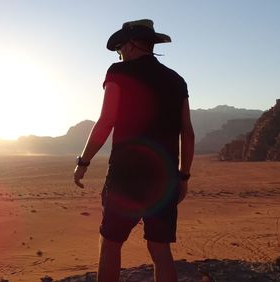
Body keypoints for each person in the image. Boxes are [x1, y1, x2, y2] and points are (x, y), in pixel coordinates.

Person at [74, 19, 194, 282]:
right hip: (163, 179)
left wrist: (83, 161)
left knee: (111, 242)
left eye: (119, 48)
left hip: (125, 176)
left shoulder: (119, 72)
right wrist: (183, 177)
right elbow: (187, 132)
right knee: (160, 249)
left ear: (130, 45)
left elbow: (106, 121)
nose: (119, 54)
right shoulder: (176, 80)